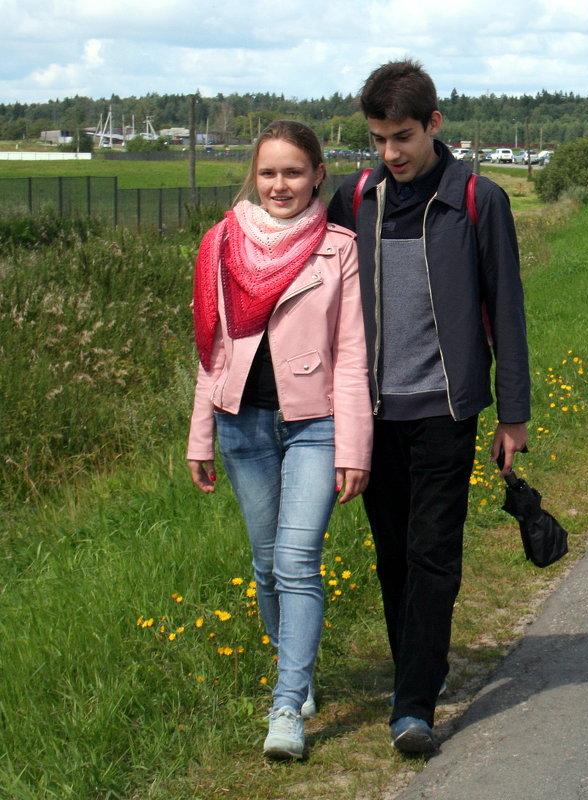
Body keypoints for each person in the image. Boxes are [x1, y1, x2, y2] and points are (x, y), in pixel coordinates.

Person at [326, 59, 531, 756]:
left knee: (433, 553)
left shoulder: (478, 198)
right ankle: (417, 673)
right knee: (392, 557)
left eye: (402, 137)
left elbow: (507, 310)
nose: (391, 153)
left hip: (446, 408)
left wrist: (513, 414)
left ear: (434, 124)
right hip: (372, 413)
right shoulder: (353, 198)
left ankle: (413, 704)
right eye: (379, 139)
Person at [187, 120, 372, 761]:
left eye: (294, 172)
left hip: (315, 425)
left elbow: (352, 357)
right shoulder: (221, 245)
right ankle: (299, 671)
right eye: (269, 172)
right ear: (254, 176)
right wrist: (199, 436)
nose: (280, 185)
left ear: (318, 175)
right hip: (241, 424)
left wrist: (355, 448)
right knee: (266, 566)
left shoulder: (339, 248)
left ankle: (287, 705)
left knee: (296, 563)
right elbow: (211, 350)